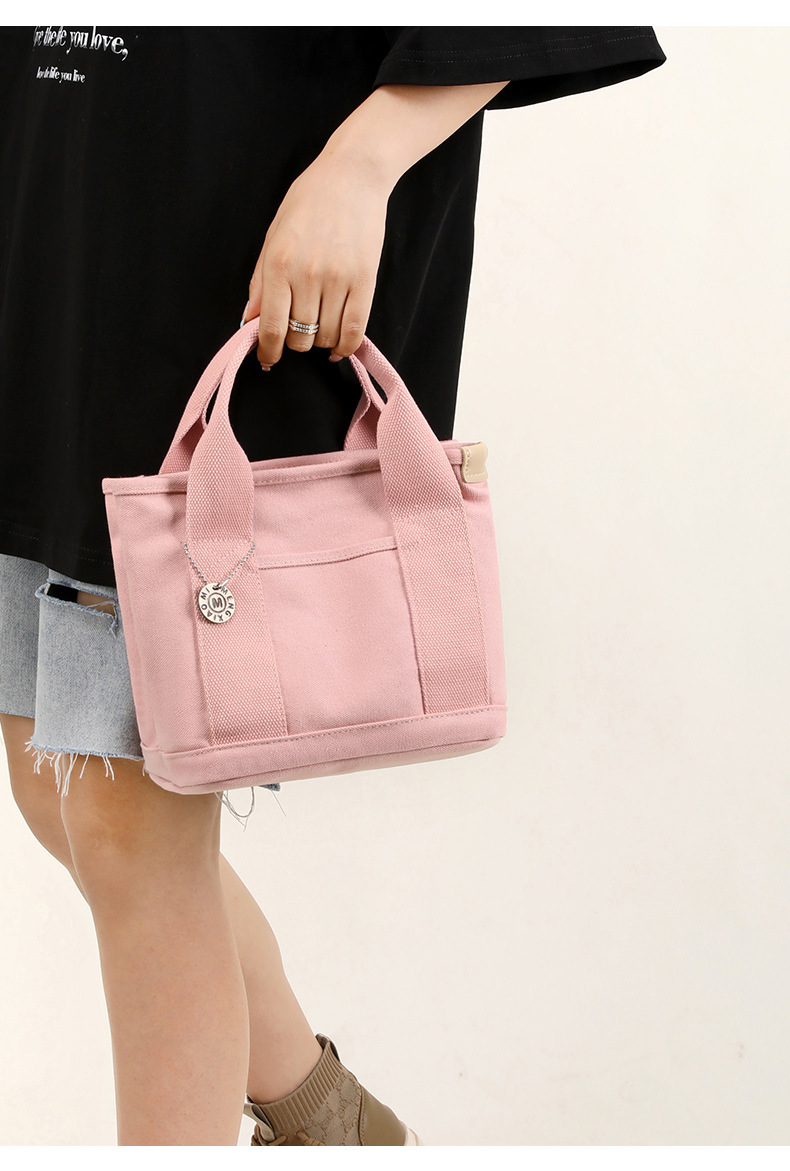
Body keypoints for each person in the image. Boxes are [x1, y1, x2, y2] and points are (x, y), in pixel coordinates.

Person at [0, 26, 667, 1145]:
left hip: (239, 249)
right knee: (49, 778)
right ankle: (331, 1120)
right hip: (56, 212)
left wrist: (358, 169)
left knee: (125, 816)